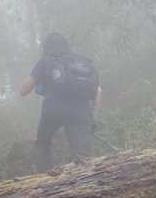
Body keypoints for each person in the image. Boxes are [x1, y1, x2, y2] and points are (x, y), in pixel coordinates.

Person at [19, 33, 102, 173]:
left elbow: (24, 90)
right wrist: (94, 116)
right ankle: (84, 184)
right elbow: (98, 91)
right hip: (81, 111)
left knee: (43, 142)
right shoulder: (83, 63)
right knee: (82, 160)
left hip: (54, 108)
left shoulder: (47, 61)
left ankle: (42, 178)